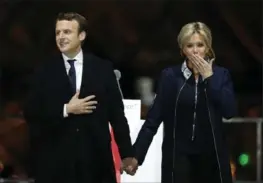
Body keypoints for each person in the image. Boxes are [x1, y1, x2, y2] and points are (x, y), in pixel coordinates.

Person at [24, 12, 137, 183]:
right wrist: (66, 109)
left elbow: (117, 116)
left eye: (67, 32)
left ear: (82, 35)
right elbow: (31, 112)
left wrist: (127, 154)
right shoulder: (43, 71)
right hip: (55, 166)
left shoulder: (103, 69)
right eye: (58, 32)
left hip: (95, 164)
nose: (61, 37)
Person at [131, 22, 236, 183]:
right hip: (178, 159)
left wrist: (210, 79)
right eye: (190, 45)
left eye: (200, 45)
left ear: (208, 47)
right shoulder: (170, 76)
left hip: (212, 158)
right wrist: (136, 156)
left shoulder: (221, 75)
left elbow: (229, 112)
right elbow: (153, 120)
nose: (195, 50)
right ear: (182, 49)